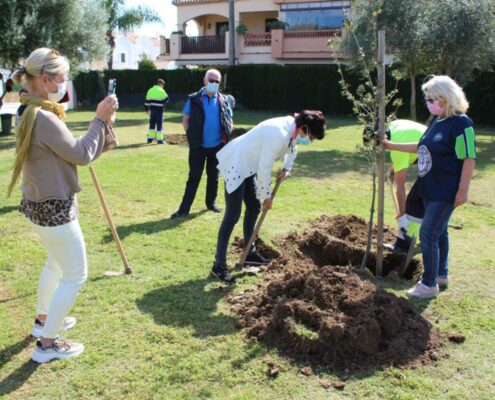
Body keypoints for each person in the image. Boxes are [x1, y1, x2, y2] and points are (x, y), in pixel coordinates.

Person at [7, 48, 118, 362]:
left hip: (39, 206)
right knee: (75, 274)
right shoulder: (42, 117)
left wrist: (100, 125)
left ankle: (43, 321)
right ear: (45, 80)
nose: (65, 83)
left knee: (55, 264)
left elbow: (70, 150)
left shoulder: (28, 110)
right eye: (62, 78)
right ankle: (47, 344)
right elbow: (81, 154)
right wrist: (100, 119)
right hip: (54, 210)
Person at [384, 75, 476, 299]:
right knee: (439, 232)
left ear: (445, 98)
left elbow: (469, 158)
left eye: (431, 98)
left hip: (445, 191)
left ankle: (428, 284)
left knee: (428, 233)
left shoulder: (462, 123)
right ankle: (441, 274)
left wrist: (463, 190)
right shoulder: (437, 121)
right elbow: (420, 146)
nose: (429, 102)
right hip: (429, 187)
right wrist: (390, 145)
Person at [211, 110, 326, 283]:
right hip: (237, 162)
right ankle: (218, 265)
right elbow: (265, 167)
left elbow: (293, 149)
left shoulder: (292, 129)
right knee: (232, 215)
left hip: (249, 165)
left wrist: (286, 169)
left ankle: (249, 252)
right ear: (304, 127)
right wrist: (266, 196)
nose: (309, 141)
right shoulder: (278, 133)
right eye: (311, 137)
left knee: (253, 207)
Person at [171, 69, 233, 218]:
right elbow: (185, 120)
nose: (214, 83)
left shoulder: (224, 100)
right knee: (194, 177)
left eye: (217, 81)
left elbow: (229, 118)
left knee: (214, 176)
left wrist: (227, 133)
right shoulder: (194, 99)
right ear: (204, 80)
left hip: (217, 146)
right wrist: (191, 137)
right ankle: (184, 209)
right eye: (211, 80)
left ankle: (210, 203)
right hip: (198, 146)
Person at [383, 119, 427, 252]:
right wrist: (394, 168)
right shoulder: (392, 126)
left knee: (414, 202)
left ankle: (404, 244)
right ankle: (428, 235)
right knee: (425, 201)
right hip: (435, 154)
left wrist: (402, 215)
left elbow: (400, 185)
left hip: (435, 162)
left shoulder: (397, 147)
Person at [145, 78, 168, 144]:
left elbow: (147, 101)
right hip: (159, 110)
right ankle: (160, 140)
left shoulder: (150, 90)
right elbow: (167, 99)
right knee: (159, 125)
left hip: (152, 111)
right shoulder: (161, 90)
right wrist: (161, 102)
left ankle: (149, 139)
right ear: (161, 84)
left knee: (151, 125)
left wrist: (146, 109)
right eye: (163, 85)